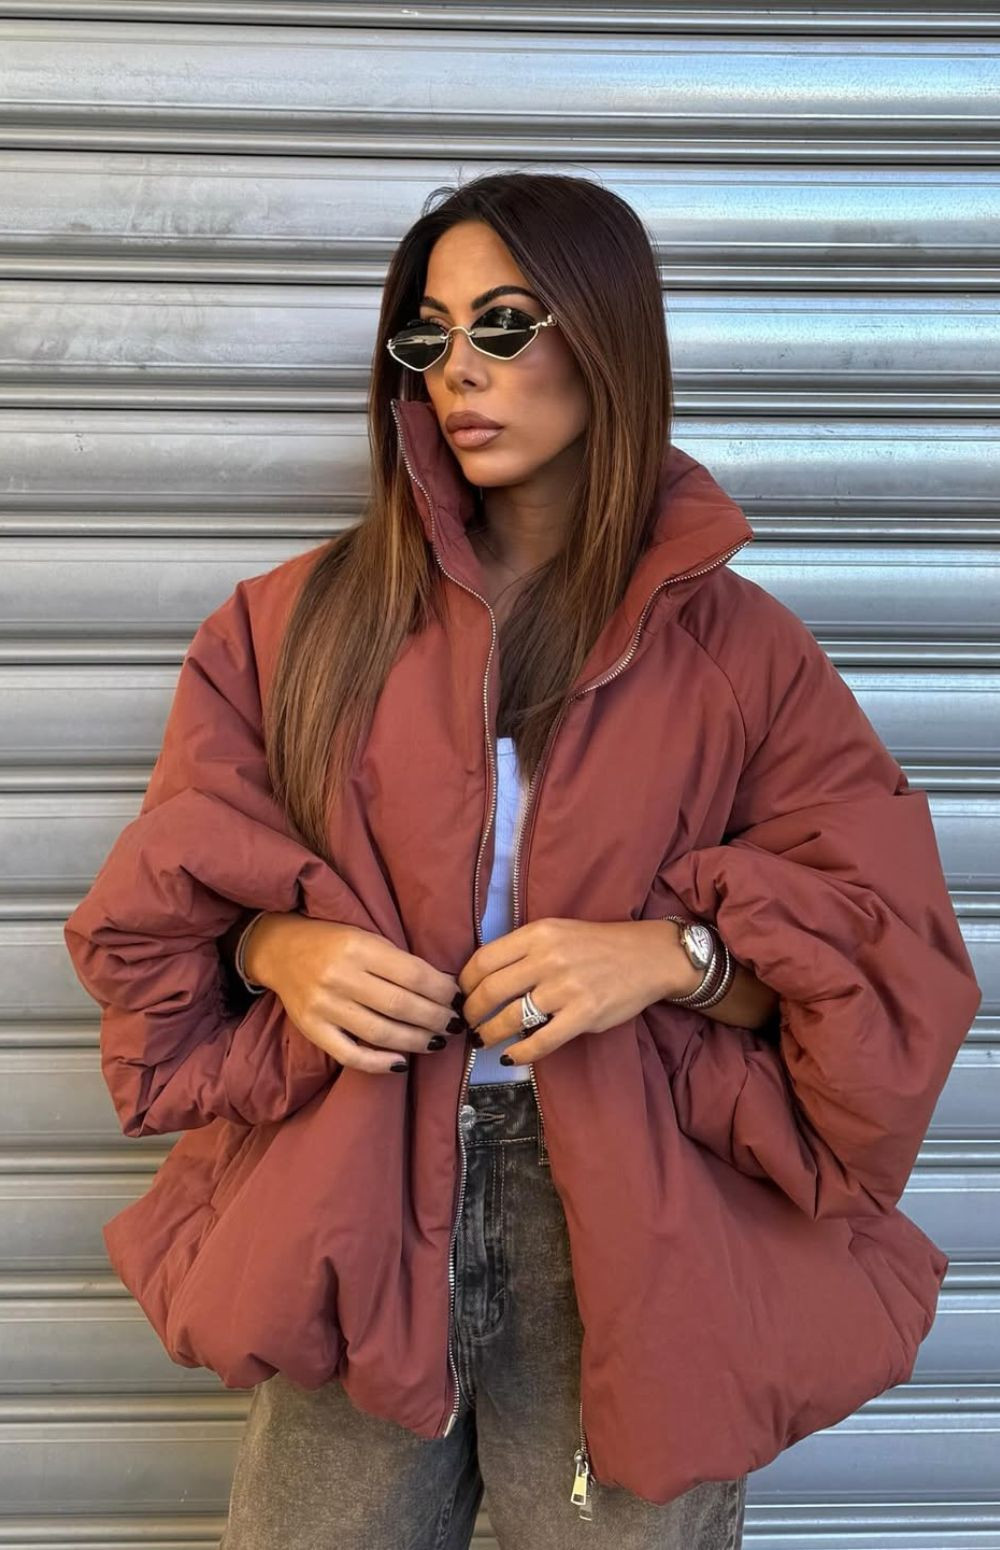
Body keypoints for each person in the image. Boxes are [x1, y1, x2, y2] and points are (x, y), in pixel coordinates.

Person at [63, 170, 982, 1550]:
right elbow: (164, 902)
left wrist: (673, 956)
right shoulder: (290, 627)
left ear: (605, 337)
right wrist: (277, 947)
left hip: (633, 1217)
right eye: (428, 336)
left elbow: (884, 955)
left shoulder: (740, 655)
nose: (460, 372)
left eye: (504, 324)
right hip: (353, 1195)